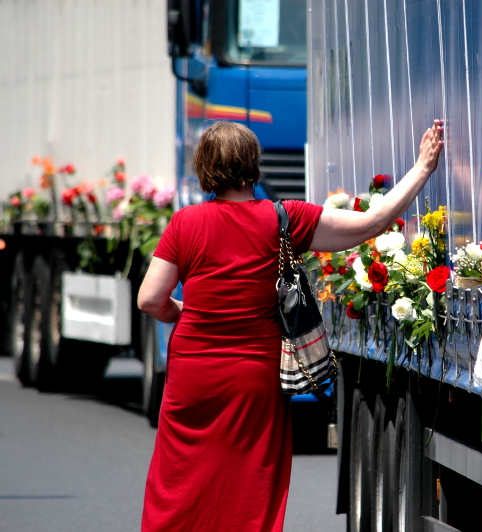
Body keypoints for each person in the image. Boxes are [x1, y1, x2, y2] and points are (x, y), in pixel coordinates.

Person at [137, 119, 443, 532]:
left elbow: (149, 299)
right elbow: (372, 223)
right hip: (253, 375)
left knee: (181, 479)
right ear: (253, 163)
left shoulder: (185, 223)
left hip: (193, 374)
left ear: (205, 167)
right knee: (248, 481)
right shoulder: (283, 219)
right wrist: (423, 168)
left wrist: (182, 312)